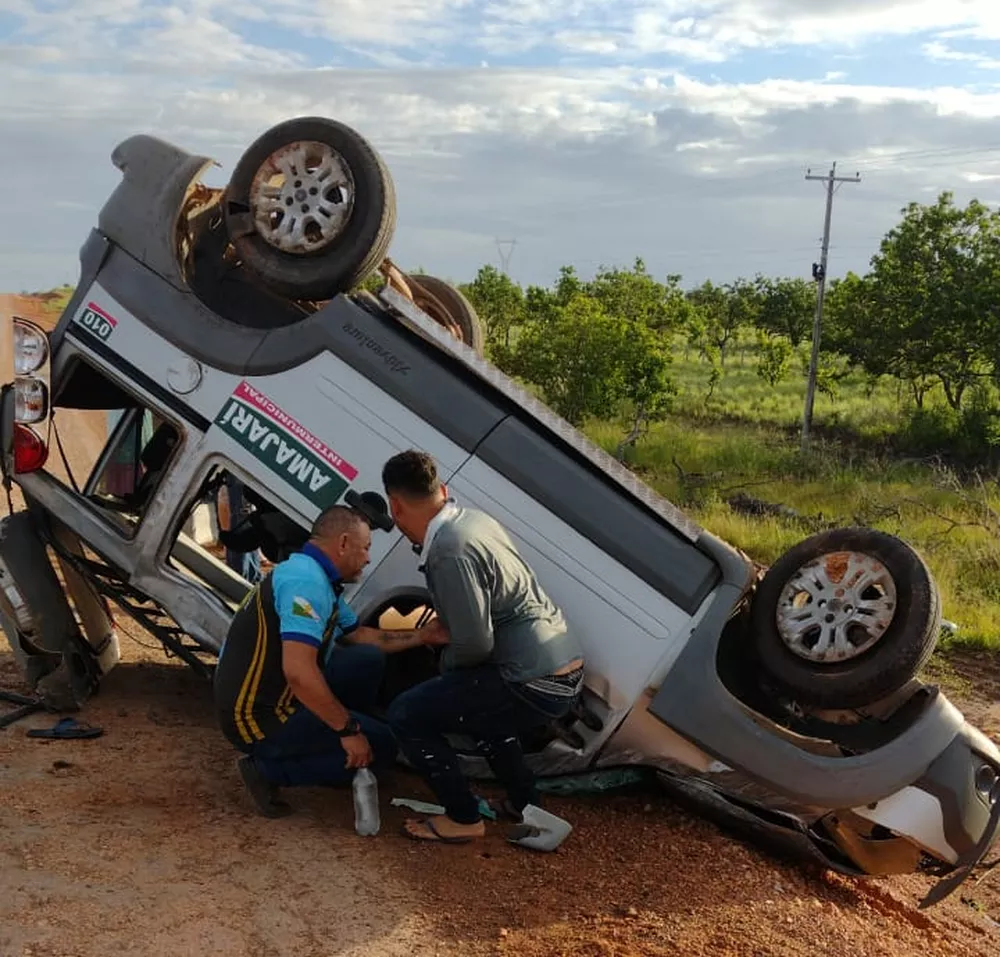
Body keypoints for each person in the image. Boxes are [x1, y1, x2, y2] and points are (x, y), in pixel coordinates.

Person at [381, 449, 585, 844]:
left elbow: (474, 645)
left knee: (408, 713)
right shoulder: (473, 520)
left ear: (395, 505)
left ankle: (463, 817)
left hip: (531, 680)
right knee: (483, 713)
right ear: (441, 489)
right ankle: (525, 804)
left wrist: (444, 665)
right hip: (566, 670)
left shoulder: (447, 551)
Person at [213, 502, 448, 817]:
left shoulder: (315, 575)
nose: (367, 557)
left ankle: (336, 744)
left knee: (365, 658)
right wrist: (349, 731)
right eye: (364, 548)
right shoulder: (306, 585)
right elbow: (298, 672)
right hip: (259, 718)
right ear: (342, 544)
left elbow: (361, 636)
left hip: (279, 696)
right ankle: (267, 769)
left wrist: (423, 636)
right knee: (383, 748)